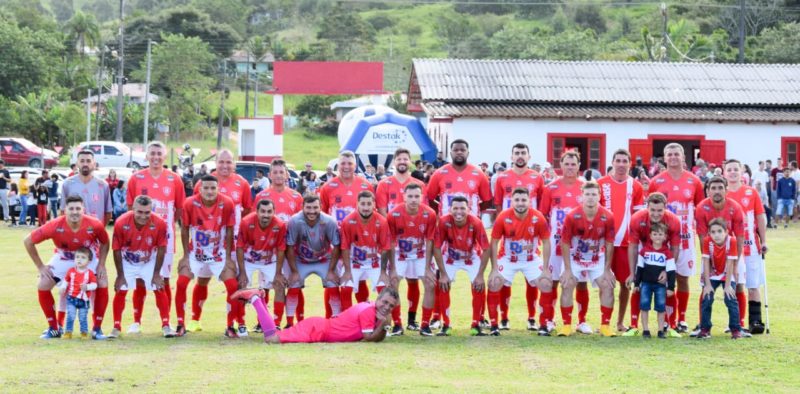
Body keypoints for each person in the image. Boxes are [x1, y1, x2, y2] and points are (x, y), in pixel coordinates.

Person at [24, 195, 110, 339]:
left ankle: (97, 329)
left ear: (83, 209)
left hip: (88, 258)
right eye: (71, 209)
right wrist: (40, 267)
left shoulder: (94, 224)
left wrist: (101, 265)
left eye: (78, 208)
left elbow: (105, 242)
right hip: (64, 257)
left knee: (102, 282)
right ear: (64, 210)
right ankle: (53, 328)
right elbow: (28, 241)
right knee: (43, 284)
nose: (75, 212)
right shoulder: (54, 225)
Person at [125, 141, 186, 334]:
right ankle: (136, 321)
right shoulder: (136, 178)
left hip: (164, 239)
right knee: (140, 280)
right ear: (147, 156)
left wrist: (165, 228)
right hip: (140, 239)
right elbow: (130, 209)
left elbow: (179, 209)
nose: (156, 157)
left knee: (164, 279)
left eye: (159, 153)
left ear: (165, 155)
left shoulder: (174, 179)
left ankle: (165, 323)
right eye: (152, 153)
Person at [648, 143, 704, 334]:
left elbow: (701, 209)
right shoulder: (656, 181)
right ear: (664, 158)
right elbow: (650, 212)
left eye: (676, 154)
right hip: (662, 240)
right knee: (663, 279)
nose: (673, 157)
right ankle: (667, 319)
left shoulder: (695, 181)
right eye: (669, 154)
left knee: (682, 278)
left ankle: (682, 318)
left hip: (686, 239)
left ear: (683, 157)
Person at [492, 144, 547, 330]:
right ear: (511, 156)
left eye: (523, 153)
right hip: (509, 233)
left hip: (531, 232)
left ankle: (532, 318)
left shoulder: (537, 177)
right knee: (504, 280)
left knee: (533, 279)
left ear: (529, 156)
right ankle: (504, 318)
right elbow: (498, 204)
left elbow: (540, 204)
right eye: (517, 153)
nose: (520, 156)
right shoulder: (502, 177)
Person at [175, 175, 237, 337]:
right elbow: (184, 229)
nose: (210, 191)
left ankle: (230, 326)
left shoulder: (227, 203)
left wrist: (229, 258)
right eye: (206, 188)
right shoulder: (190, 203)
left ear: (218, 189)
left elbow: (230, 230)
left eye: (213, 188)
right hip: (196, 254)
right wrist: (185, 256)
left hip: (218, 254)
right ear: (200, 189)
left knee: (232, 286)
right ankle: (183, 323)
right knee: (182, 283)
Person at [109, 195, 176, 338]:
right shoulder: (121, 222)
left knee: (159, 286)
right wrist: (120, 275)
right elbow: (116, 249)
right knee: (121, 289)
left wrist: (157, 274)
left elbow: (162, 248)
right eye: (139, 212)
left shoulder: (160, 223)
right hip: (128, 260)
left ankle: (166, 325)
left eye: (147, 212)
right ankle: (116, 327)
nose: (143, 216)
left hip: (149, 259)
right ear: (133, 209)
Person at [231, 286, 399, 344]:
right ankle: (254, 298)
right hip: (318, 330)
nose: (387, 307)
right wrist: (384, 325)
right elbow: (369, 339)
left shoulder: (371, 307)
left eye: (391, 306)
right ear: (378, 299)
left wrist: (383, 324)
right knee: (271, 338)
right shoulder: (369, 311)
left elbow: (371, 337)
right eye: (385, 302)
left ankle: (258, 298)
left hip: (320, 328)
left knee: (273, 336)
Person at [557, 181, 617, 337]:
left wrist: (607, 269)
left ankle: (605, 325)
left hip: (597, 258)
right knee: (567, 284)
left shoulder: (608, 216)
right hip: (575, 258)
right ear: (581, 196)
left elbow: (610, 244)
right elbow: (564, 242)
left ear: (599, 196)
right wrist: (568, 270)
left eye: (594, 194)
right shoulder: (572, 216)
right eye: (587, 194)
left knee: (608, 285)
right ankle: (566, 325)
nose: (590, 198)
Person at [490, 187, 553, 335]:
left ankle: (541, 323)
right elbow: (493, 242)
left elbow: (546, 242)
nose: (520, 203)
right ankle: (497, 323)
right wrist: (494, 268)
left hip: (530, 258)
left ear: (529, 201)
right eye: (517, 200)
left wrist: (545, 269)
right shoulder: (503, 217)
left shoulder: (538, 217)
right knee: (494, 282)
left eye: (523, 200)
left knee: (545, 283)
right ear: (511, 201)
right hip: (508, 258)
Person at [430, 196, 494, 336]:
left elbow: (486, 248)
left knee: (478, 285)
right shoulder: (443, 221)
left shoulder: (476, 222)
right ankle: (446, 325)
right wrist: (443, 274)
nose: (459, 212)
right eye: (455, 208)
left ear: (469, 209)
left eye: (462, 208)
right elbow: (436, 247)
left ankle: (476, 324)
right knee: (443, 284)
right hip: (451, 257)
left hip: (471, 257)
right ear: (450, 209)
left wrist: (480, 275)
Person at [597, 149, 645, 333]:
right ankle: (604, 322)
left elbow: (639, 216)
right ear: (612, 162)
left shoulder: (636, 186)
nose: (621, 164)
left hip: (627, 244)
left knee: (626, 283)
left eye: (625, 160)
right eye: (618, 160)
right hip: (605, 244)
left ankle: (620, 322)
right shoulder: (601, 184)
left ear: (630, 163)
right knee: (605, 283)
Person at [253, 159, 305, 327]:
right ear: (269, 175)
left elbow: (301, 223)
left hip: (291, 249)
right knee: (265, 285)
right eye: (274, 172)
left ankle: (295, 321)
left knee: (294, 285)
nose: (278, 175)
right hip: (268, 250)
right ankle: (264, 322)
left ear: (287, 175)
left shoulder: (296, 197)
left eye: (281, 172)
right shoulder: (261, 196)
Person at [692, 175, 745, 336]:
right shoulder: (701, 208)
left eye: (720, 188)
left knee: (736, 289)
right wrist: (709, 262)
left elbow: (740, 236)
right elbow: (702, 238)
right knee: (706, 292)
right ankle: (704, 326)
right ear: (707, 191)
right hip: (710, 257)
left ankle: (738, 326)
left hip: (731, 254)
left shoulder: (735, 207)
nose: (716, 191)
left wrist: (736, 262)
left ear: (726, 189)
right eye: (713, 188)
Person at [538, 151, 585, 334]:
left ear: (579, 166)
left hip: (580, 244)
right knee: (553, 281)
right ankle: (549, 320)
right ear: (561, 165)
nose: (570, 167)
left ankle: (581, 321)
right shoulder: (550, 188)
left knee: (580, 282)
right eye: (567, 164)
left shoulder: (586, 187)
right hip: (556, 242)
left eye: (574, 164)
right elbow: (543, 216)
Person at [623, 192, 682, 337]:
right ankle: (634, 325)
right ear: (647, 207)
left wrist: (666, 271)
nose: (656, 214)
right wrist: (633, 273)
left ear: (665, 208)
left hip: (664, 253)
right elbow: (633, 246)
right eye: (653, 210)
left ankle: (672, 325)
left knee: (668, 288)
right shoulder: (637, 219)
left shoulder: (673, 221)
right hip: (646, 253)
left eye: (660, 210)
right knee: (639, 288)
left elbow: (675, 248)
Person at [319, 151, 373, 306]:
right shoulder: (328, 187)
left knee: (360, 281)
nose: (346, 167)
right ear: (338, 165)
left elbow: (370, 213)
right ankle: (333, 320)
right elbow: (322, 215)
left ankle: (363, 315)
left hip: (358, 243)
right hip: (334, 243)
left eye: (350, 163)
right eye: (343, 163)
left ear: (355, 166)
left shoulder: (365, 185)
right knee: (333, 282)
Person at [387, 183, 438, 335]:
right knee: (393, 283)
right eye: (410, 196)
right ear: (404, 197)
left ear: (421, 197)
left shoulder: (430, 214)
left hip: (420, 254)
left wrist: (428, 267)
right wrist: (393, 268)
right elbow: (390, 242)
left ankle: (425, 325)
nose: (414, 199)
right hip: (400, 253)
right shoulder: (394, 214)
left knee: (430, 283)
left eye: (417, 196)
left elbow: (430, 241)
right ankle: (397, 324)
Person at [724, 160, 768, 334]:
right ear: (724, 172)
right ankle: (736, 322)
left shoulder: (751, 192)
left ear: (742, 172)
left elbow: (760, 217)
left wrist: (764, 241)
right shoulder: (722, 193)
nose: (733, 172)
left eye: (736, 169)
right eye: (730, 170)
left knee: (753, 284)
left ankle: (755, 321)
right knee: (735, 285)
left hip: (751, 247)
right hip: (731, 248)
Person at [285, 195, 342, 318]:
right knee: (293, 287)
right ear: (302, 207)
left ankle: (336, 320)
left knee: (333, 285)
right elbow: (289, 246)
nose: (312, 211)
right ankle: (290, 323)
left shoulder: (329, 221)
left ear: (321, 207)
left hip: (324, 259)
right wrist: (294, 271)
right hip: (301, 260)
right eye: (308, 207)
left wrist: (332, 270)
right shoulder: (294, 221)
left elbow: (337, 246)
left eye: (315, 207)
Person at [235, 199, 287, 337]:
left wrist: (278, 274)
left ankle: (276, 323)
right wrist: (242, 272)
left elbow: (281, 249)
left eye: (269, 212)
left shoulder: (280, 225)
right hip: (249, 260)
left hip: (269, 260)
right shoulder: (246, 222)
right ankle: (241, 324)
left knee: (280, 286)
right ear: (256, 212)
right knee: (241, 287)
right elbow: (239, 247)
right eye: (262, 211)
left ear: (274, 212)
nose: (266, 215)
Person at [338, 191, 392, 312]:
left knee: (384, 290)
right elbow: (345, 247)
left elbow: (385, 248)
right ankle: (348, 322)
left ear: (374, 204)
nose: (366, 207)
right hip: (354, 262)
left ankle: (382, 325)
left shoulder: (382, 221)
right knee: (346, 288)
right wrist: (347, 271)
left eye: (369, 204)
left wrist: (383, 272)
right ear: (357, 204)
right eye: (363, 204)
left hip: (374, 262)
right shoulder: (348, 221)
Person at [697, 218, 742, 339]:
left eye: (719, 231)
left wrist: (727, 286)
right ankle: (705, 328)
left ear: (726, 232)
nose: (716, 235)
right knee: (707, 297)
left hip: (728, 273)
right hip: (713, 273)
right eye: (713, 232)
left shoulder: (731, 241)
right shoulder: (707, 241)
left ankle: (735, 329)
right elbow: (705, 262)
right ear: (709, 233)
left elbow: (731, 263)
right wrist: (707, 284)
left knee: (730, 298)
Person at [633, 222, 676, 339]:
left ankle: (660, 330)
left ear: (665, 237)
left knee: (661, 308)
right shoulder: (644, 251)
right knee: (644, 306)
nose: (658, 236)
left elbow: (671, 271)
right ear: (650, 236)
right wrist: (637, 284)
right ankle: (646, 330)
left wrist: (671, 287)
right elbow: (640, 268)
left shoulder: (667, 253)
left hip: (660, 286)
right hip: (646, 284)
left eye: (660, 234)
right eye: (655, 234)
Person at [61, 150, 112, 224]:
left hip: (95, 233)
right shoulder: (67, 184)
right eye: (82, 161)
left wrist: (99, 229)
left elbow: (108, 213)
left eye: (88, 161)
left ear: (94, 164)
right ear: (77, 164)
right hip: (74, 232)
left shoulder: (103, 185)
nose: (85, 164)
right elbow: (63, 211)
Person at [59, 247, 99, 339]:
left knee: (82, 317)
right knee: (70, 316)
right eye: (77, 257)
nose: (79, 260)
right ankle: (68, 332)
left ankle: (84, 332)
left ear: (89, 261)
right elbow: (66, 280)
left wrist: (87, 287)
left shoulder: (90, 273)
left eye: (83, 257)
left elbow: (95, 285)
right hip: (71, 298)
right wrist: (63, 287)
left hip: (83, 300)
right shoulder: (71, 271)